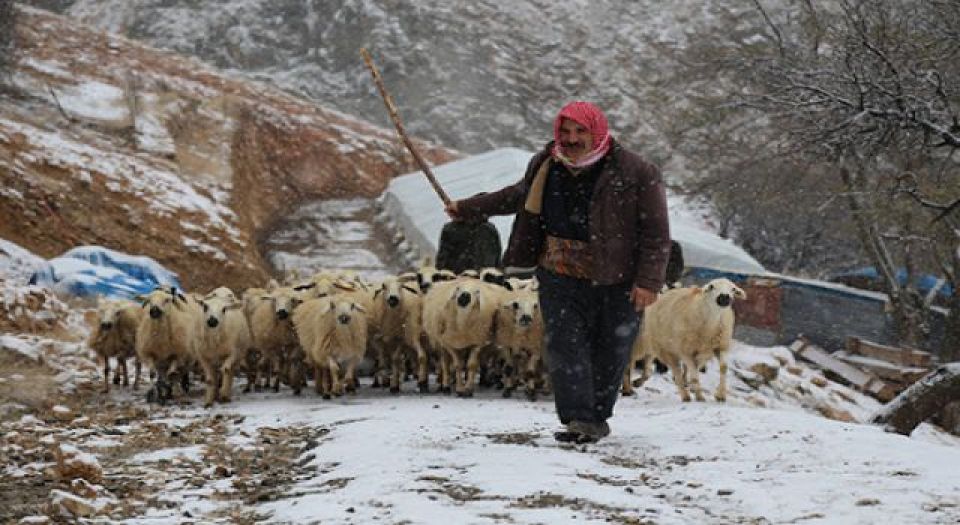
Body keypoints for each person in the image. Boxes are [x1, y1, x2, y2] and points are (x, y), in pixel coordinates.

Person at [445, 101, 671, 443]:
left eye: (581, 131)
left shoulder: (635, 171)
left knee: (610, 349)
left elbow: (656, 231)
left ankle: (597, 414)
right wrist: (468, 208)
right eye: (565, 131)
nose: (572, 139)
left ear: (597, 132)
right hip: (559, 274)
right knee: (565, 346)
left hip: (616, 278)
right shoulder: (547, 163)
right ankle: (579, 419)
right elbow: (517, 196)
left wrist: (649, 280)